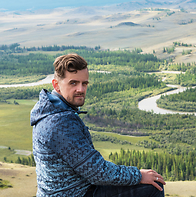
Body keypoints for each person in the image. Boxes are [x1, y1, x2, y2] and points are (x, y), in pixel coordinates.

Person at [30, 53, 165, 197]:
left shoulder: (53, 110)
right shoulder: (58, 122)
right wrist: (138, 175)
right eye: (73, 83)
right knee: (154, 188)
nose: (80, 89)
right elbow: (97, 172)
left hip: (72, 190)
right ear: (56, 85)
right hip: (74, 193)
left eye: (84, 83)